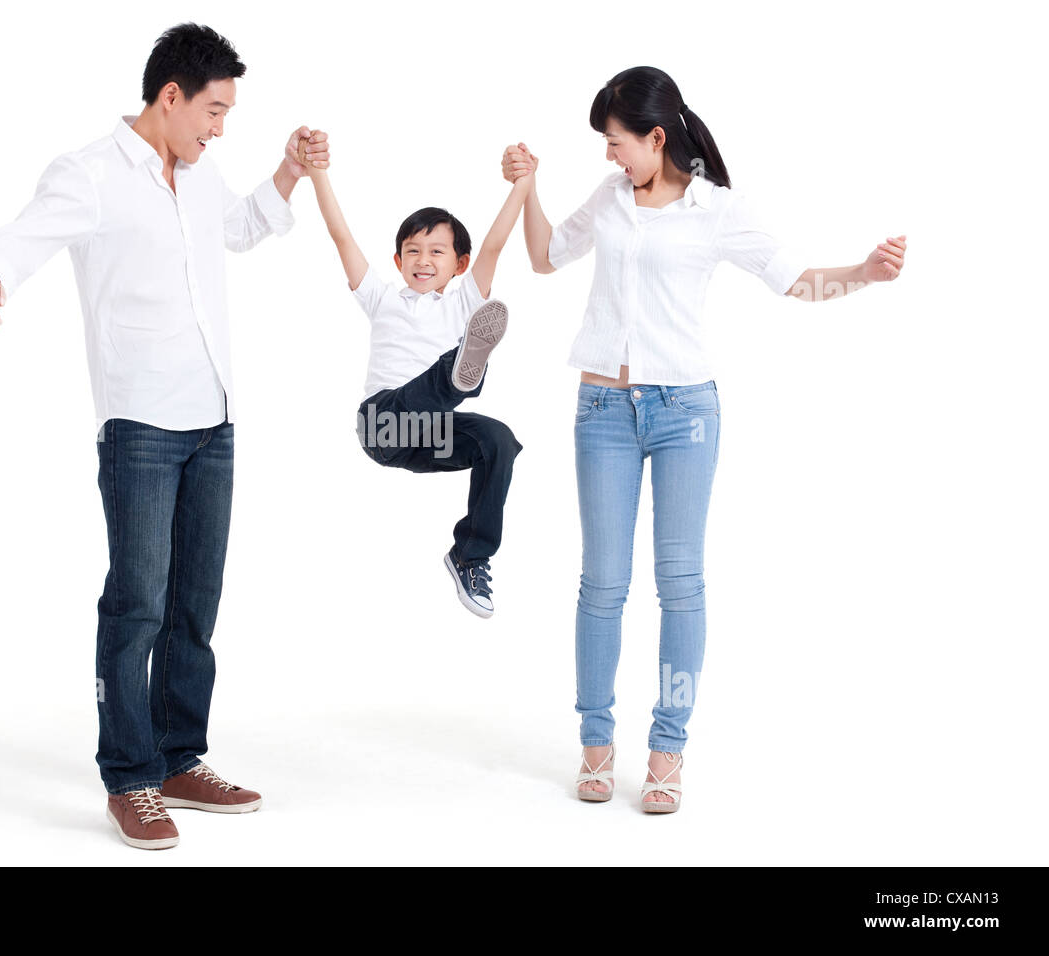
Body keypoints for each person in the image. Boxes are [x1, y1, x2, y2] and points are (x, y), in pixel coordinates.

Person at [0, 22, 330, 849]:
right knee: (137, 607)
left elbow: (236, 229)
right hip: (140, 426)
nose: (219, 127)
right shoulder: (90, 174)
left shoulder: (198, 176)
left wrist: (289, 172)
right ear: (170, 97)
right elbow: (21, 239)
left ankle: (177, 758)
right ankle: (129, 776)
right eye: (214, 110)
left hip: (214, 418)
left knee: (194, 608)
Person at [503, 66, 906, 811]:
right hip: (604, 410)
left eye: (617, 142)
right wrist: (526, 189)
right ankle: (596, 744)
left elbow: (792, 281)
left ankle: (667, 752)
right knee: (602, 586)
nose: (609, 156)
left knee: (680, 587)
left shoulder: (717, 211)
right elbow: (543, 257)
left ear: (657, 138)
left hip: (686, 413)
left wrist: (862, 273)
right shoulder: (610, 200)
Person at [299, 136, 527, 617]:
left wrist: (522, 185)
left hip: (430, 437)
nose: (424, 261)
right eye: (413, 251)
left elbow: (495, 243)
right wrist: (316, 171)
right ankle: (463, 372)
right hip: (384, 426)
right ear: (398, 261)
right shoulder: (382, 298)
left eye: (438, 252)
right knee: (445, 381)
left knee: (498, 440)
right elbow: (341, 235)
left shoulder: (465, 300)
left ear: (459, 265)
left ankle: (470, 555)